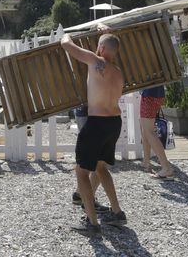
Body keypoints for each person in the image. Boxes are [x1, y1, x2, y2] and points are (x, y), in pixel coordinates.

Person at [61, 31, 126, 236]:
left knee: (81, 171)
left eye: (98, 45)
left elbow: (66, 45)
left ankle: (92, 224)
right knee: (100, 167)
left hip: (96, 123)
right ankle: (117, 213)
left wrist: (67, 35)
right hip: (114, 122)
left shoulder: (95, 61)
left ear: (102, 49)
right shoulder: (118, 72)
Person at [70, 105, 108, 213]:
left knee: (93, 160)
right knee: (99, 161)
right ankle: (87, 200)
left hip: (86, 112)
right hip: (91, 113)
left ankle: (80, 195)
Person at [140, 85, 174, 179]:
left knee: (149, 131)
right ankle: (146, 162)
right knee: (145, 129)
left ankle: (166, 168)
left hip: (149, 95)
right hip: (156, 94)